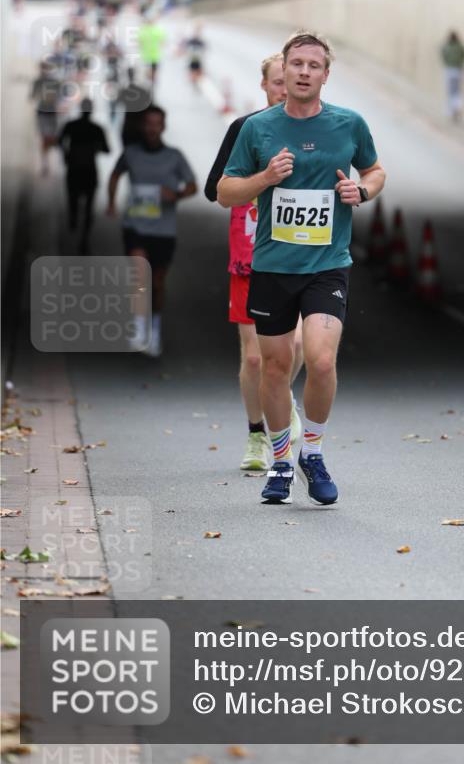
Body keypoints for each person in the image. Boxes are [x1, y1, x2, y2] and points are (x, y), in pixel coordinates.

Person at [218, 31, 386, 506]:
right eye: (297, 64)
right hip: (272, 265)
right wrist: (265, 179)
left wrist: (363, 191)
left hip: (327, 264)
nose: (305, 72)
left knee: (322, 358)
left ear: (325, 75)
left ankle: (311, 451)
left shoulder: (349, 124)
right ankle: (280, 462)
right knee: (273, 367)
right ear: (284, 72)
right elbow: (225, 192)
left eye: (314, 65)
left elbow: (374, 170)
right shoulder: (258, 128)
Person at [206, 54, 304, 471]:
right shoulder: (245, 129)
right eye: (278, 82)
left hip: (301, 254)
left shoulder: (319, 129)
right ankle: (256, 435)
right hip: (252, 254)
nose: (286, 88)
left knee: (295, 345)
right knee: (252, 358)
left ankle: (283, 397)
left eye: (291, 80)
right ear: (264, 86)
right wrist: (262, 178)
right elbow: (216, 189)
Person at [107, 105, 197, 357]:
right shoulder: (131, 153)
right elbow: (115, 175)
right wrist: (112, 203)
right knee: (139, 275)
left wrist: (176, 194)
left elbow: (193, 186)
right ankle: (138, 327)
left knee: (157, 282)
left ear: (163, 126)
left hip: (163, 230)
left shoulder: (174, 156)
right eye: (148, 123)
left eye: (157, 123)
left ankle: (154, 328)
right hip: (135, 225)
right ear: (141, 126)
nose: (152, 128)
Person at [58, 98, 110, 252]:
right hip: (89, 170)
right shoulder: (96, 129)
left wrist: (67, 155)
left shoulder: (71, 125)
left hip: (74, 169)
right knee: (88, 207)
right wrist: (94, 148)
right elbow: (107, 149)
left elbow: (60, 142)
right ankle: (84, 238)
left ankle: (74, 220)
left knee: (72, 199)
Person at [30, 61, 63, 176]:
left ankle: (48, 161)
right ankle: (45, 164)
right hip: (43, 112)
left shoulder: (53, 82)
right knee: (45, 137)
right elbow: (32, 96)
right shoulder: (38, 82)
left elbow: (60, 96)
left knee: (51, 137)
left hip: (51, 112)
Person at [115, 67, 151, 144]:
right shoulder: (141, 90)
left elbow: (118, 102)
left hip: (129, 122)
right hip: (139, 121)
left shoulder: (124, 91)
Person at [440, 30, 464, 123]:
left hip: (449, 71)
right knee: (457, 91)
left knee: (450, 91)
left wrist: (448, 63)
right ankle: (458, 107)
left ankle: (451, 111)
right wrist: (460, 63)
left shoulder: (447, 47)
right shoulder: (460, 47)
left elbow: (443, 55)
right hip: (458, 71)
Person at [137, 14, 167, 88]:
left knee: (148, 73)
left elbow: (139, 43)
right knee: (153, 74)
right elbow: (163, 42)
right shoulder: (157, 30)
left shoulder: (143, 30)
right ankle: (152, 86)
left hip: (147, 56)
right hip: (154, 56)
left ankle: (149, 86)